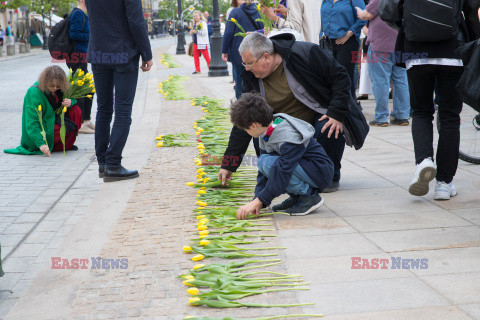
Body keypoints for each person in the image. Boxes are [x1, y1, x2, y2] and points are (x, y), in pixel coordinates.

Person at [218, 32, 358, 193]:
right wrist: (228, 164)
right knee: (259, 131)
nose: (247, 69)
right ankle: (281, 174)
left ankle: (329, 175)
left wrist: (336, 113)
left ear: (266, 57)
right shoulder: (252, 78)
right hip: (281, 123)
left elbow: (340, 77)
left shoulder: (304, 54)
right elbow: (245, 119)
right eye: (244, 64)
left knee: (329, 124)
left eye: (250, 63)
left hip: (316, 115)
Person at [392, 0, 478, 200]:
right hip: (452, 51)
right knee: (449, 117)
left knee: (421, 112)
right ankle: (444, 184)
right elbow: (473, 11)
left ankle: (423, 161)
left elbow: (388, 9)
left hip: (416, 50)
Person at [232, 93, 334, 218]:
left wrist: (260, 200)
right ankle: (297, 197)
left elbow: (283, 171)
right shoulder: (266, 131)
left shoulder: (286, 135)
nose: (246, 132)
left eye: (245, 129)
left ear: (254, 125)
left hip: (319, 172)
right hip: (304, 169)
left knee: (268, 163)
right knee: (264, 162)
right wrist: (258, 200)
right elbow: (264, 173)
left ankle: (309, 196)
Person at [85, 0, 153, 182]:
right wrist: (147, 54)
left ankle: (102, 163)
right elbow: (136, 21)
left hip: (99, 52)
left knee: (104, 108)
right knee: (123, 111)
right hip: (123, 53)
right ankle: (113, 164)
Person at [4, 66, 82, 156]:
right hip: (42, 128)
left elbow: (72, 98)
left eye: (58, 86)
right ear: (45, 82)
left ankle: (64, 144)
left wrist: (70, 102)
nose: (55, 88)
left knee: (76, 110)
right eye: (52, 86)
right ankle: (50, 145)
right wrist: (40, 143)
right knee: (64, 129)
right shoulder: (34, 92)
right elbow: (32, 122)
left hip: (53, 119)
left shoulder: (59, 88)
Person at [356, 0, 410, 127]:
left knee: (380, 81)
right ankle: (401, 116)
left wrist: (358, 11)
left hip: (380, 44)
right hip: (400, 43)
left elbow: (366, 15)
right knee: (401, 80)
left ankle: (380, 117)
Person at [321, 0, 367, 97]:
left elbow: (363, 18)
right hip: (328, 42)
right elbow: (323, 18)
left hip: (348, 41)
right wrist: (322, 35)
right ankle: (334, 106)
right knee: (329, 76)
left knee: (344, 77)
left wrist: (349, 33)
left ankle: (350, 107)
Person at [222, 0, 264, 99]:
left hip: (239, 53)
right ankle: (258, 105)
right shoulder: (261, 10)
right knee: (258, 81)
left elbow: (228, 33)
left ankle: (241, 108)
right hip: (258, 52)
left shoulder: (235, 12)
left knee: (240, 81)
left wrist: (224, 50)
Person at [68, 0, 95, 134]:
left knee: (88, 89)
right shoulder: (77, 14)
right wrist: (91, 35)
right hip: (76, 57)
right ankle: (79, 124)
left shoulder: (83, 14)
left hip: (81, 56)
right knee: (80, 91)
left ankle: (86, 120)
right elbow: (74, 34)